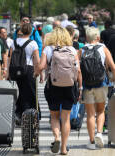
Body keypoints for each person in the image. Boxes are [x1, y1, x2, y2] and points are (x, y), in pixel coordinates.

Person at [34, 27, 82, 155]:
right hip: (70, 87)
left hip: (53, 86)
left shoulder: (48, 49)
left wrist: (36, 72)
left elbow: (41, 66)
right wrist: (80, 88)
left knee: (54, 117)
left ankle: (56, 138)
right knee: (65, 119)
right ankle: (64, 148)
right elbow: (78, 71)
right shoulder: (72, 50)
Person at [79, 27, 115, 149]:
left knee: (90, 114)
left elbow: (77, 69)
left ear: (87, 37)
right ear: (98, 37)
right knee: (100, 111)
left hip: (87, 85)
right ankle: (99, 133)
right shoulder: (103, 49)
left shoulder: (81, 50)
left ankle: (91, 141)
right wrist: (113, 79)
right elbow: (113, 67)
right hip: (101, 84)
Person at [9, 23, 40, 125]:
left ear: (21, 30)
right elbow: (36, 60)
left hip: (16, 69)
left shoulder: (14, 42)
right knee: (30, 93)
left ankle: (19, 113)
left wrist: (8, 72)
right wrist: (38, 71)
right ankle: (29, 115)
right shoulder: (33, 43)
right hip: (29, 69)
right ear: (31, 32)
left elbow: (10, 58)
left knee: (22, 91)